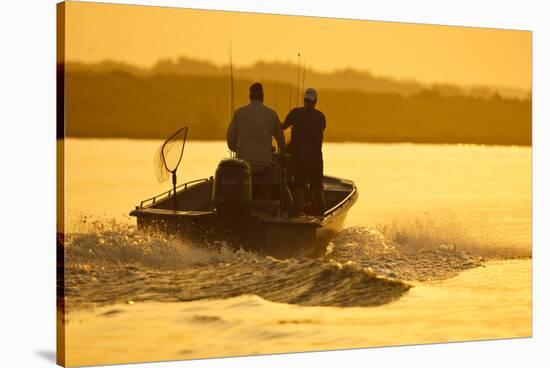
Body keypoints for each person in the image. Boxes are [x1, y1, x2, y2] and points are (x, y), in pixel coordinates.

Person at [227, 82, 286, 198]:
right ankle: (268, 200)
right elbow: (281, 141)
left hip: (242, 165)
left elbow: (230, 141)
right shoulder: (272, 114)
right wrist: (281, 155)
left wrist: (239, 150)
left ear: (250, 96)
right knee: (274, 170)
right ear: (262, 97)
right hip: (263, 165)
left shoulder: (239, 113)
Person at [282, 88, 327, 216]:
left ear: (304, 100)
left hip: (299, 159)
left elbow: (284, 125)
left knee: (299, 188)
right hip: (315, 159)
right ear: (315, 101)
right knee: (318, 190)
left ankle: (297, 217)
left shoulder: (296, 113)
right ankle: (323, 218)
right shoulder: (321, 117)